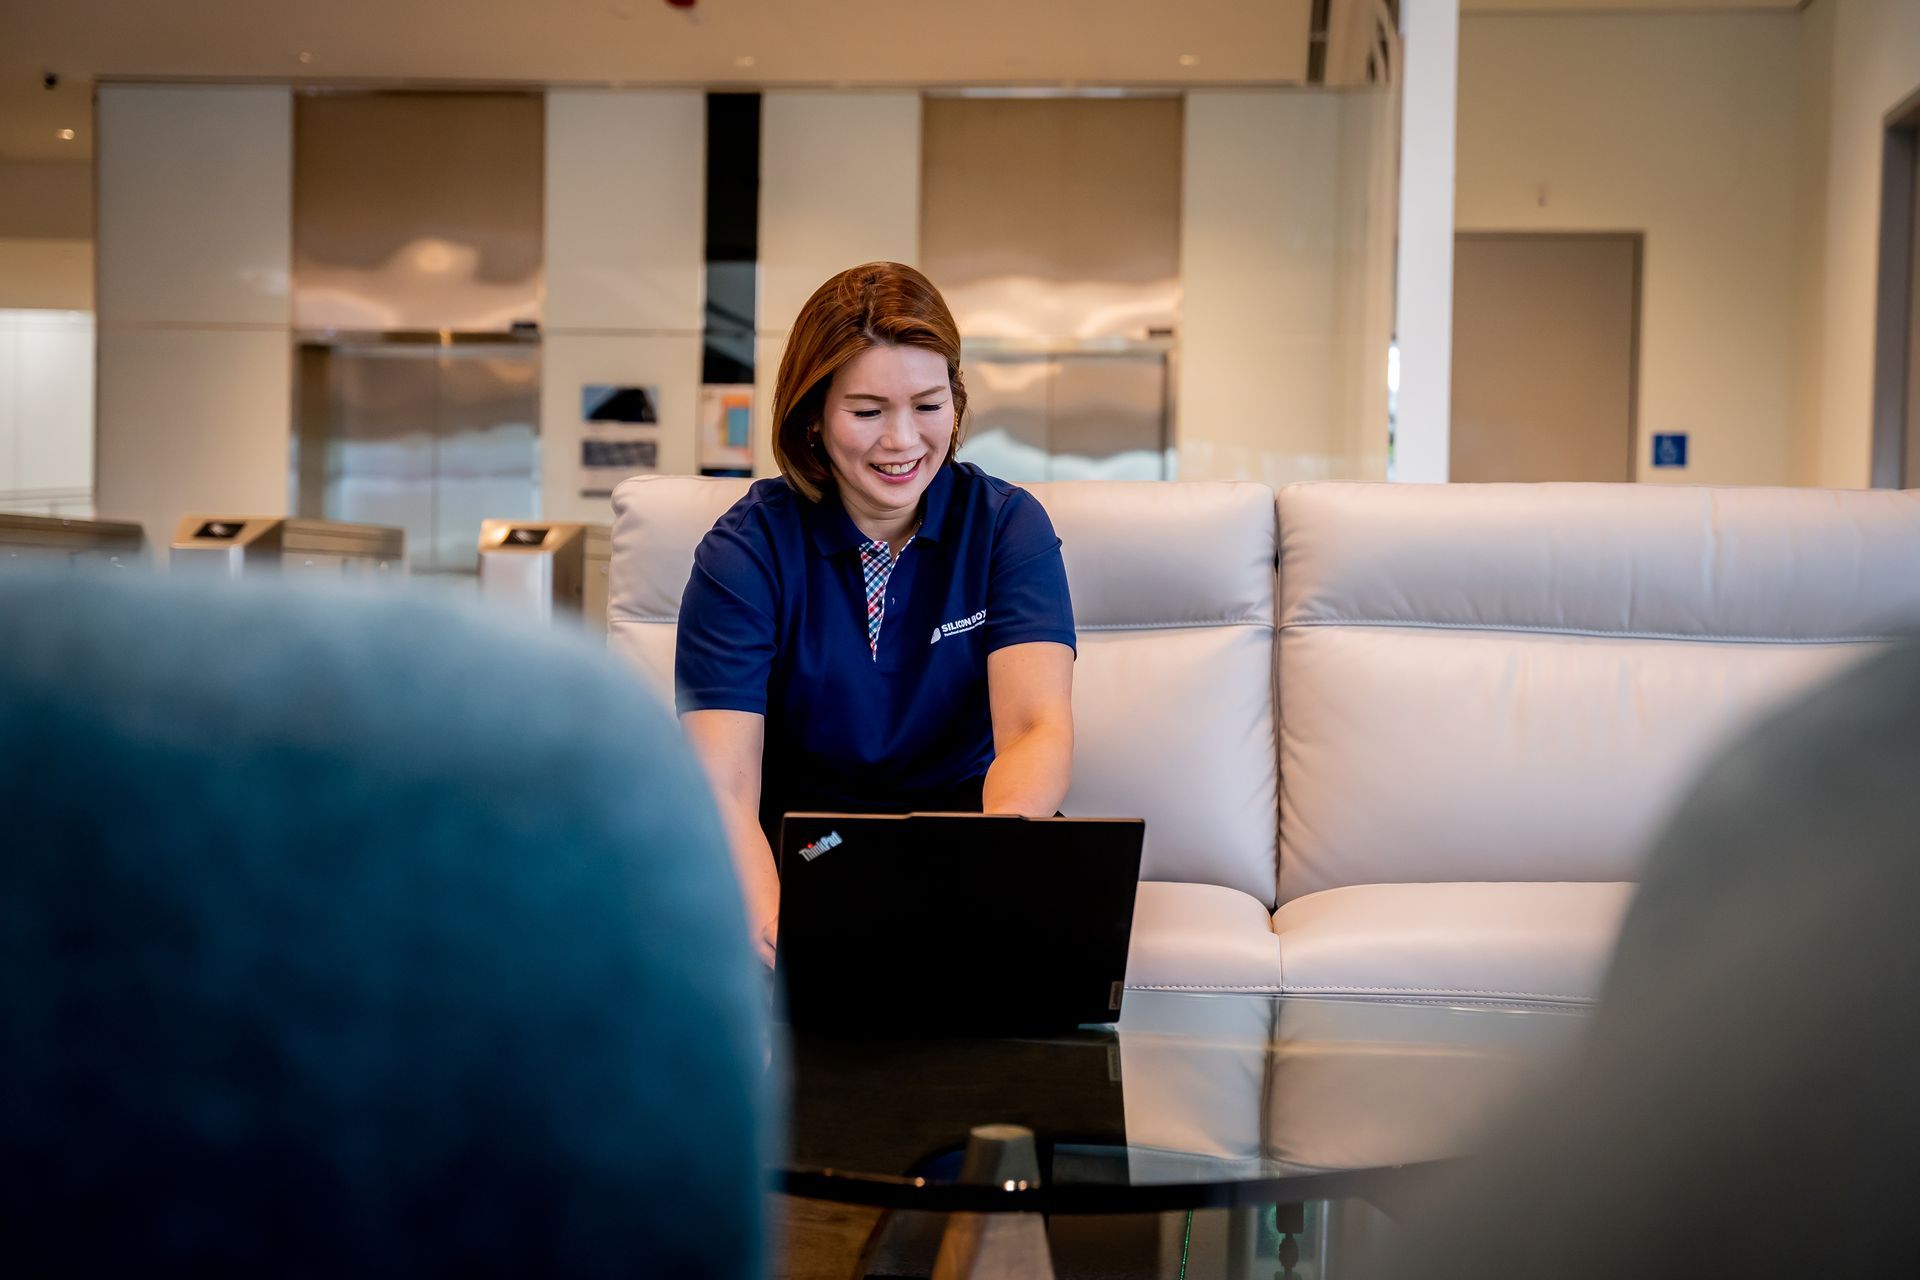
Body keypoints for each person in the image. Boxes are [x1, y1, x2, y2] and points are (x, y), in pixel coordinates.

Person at [676, 262, 1077, 965]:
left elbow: (1034, 730)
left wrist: (987, 874)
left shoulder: (1007, 527)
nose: (902, 441)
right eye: (867, 412)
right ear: (811, 417)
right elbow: (725, 784)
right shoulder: (744, 552)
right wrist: (776, 933)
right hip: (803, 852)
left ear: (955, 400)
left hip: (972, 840)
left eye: (927, 406)